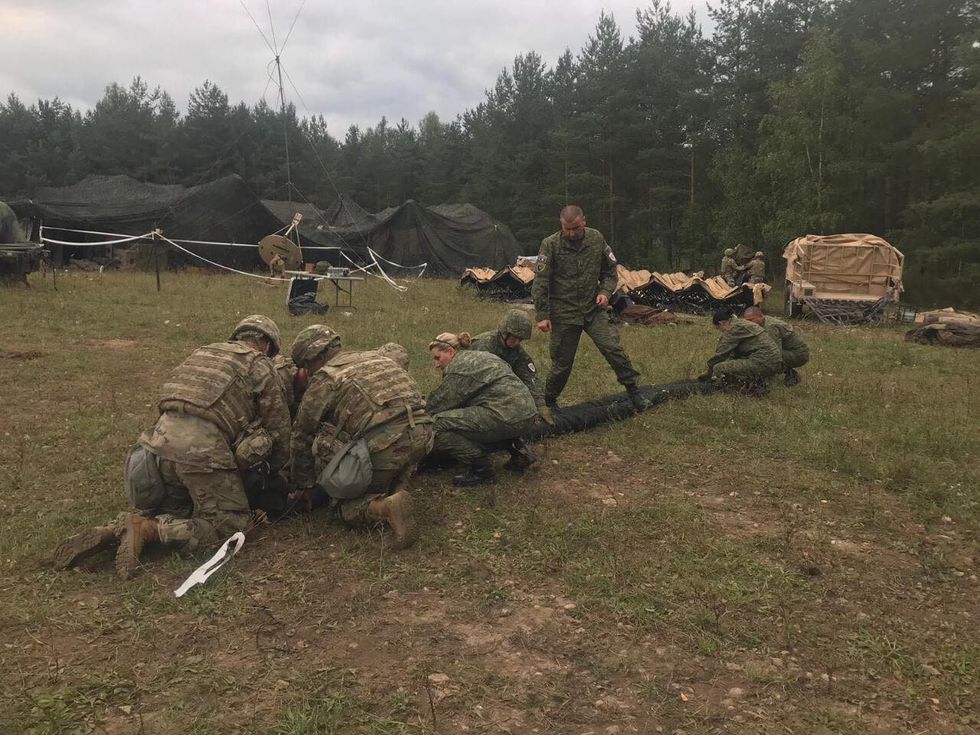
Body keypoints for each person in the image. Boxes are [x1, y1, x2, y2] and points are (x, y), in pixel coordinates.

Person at [52, 315, 292, 578]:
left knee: (179, 510)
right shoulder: (259, 365)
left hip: (156, 446)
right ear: (268, 346)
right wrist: (273, 477)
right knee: (232, 528)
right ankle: (150, 530)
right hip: (201, 451)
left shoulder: (202, 353)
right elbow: (279, 430)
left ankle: (112, 530)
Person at [288, 326, 433, 549]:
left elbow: (302, 435)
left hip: (387, 447)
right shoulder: (378, 358)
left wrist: (305, 485)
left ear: (311, 360)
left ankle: (385, 507)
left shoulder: (326, 378)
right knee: (393, 450)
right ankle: (400, 485)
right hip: (424, 435)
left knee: (341, 506)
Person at [531, 205, 648, 411]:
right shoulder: (550, 245)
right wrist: (542, 315)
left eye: (575, 228)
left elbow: (610, 271)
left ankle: (633, 391)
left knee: (613, 349)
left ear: (584, 221)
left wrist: (605, 292)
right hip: (564, 313)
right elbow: (541, 281)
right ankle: (549, 401)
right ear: (561, 225)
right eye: (567, 229)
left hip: (592, 309)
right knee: (562, 363)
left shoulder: (596, 239)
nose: (571, 233)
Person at [427, 332, 538, 486]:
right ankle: (518, 449)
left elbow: (438, 405)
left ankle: (481, 470)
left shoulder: (458, 367)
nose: (436, 364)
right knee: (471, 415)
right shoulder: (481, 356)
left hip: (506, 415)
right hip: (527, 413)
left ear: (450, 351)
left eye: (437, 358)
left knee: (438, 423)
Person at [699, 309, 782, 394]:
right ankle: (755, 382)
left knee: (719, 368)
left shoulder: (733, 329)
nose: (721, 331)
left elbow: (721, 355)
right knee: (733, 365)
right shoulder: (741, 323)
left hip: (763, 362)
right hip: (773, 361)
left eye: (718, 328)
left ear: (721, 323)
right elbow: (733, 354)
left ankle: (749, 390)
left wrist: (709, 371)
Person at [742, 306, 810, 386]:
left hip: (799, 354)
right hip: (789, 351)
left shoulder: (770, 327)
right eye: (747, 321)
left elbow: (773, 353)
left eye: (751, 320)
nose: (749, 323)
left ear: (761, 316)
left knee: (765, 355)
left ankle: (790, 375)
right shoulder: (761, 323)